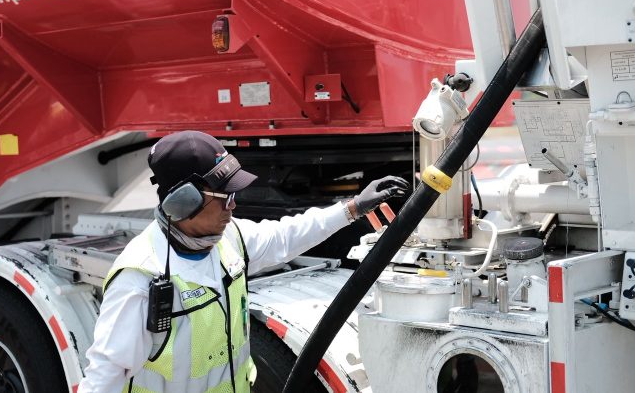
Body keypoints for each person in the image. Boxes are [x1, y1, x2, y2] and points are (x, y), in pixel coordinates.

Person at [78, 130, 408, 393]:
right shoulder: (139, 277)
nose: (233, 207)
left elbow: (285, 237)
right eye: (226, 197)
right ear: (183, 202)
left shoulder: (230, 238)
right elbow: (105, 374)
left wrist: (352, 208)